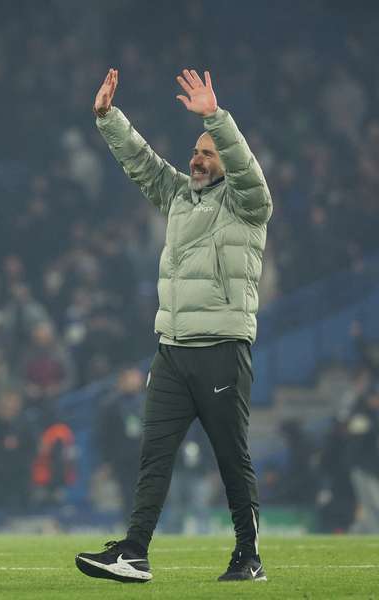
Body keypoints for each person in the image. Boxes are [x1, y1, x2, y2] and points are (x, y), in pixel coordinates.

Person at [75, 68, 272, 583]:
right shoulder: (181, 198)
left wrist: (215, 118)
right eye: (195, 151)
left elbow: (248, 171)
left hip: (222, 349)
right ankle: (134, 551)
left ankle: (248, 556)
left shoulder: (249, 205)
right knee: (153, 455)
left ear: (228, 160)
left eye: (208, 153)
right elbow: (143, 163)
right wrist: (108, 118)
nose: (197, 159)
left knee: (231, 457)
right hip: (173, 349)